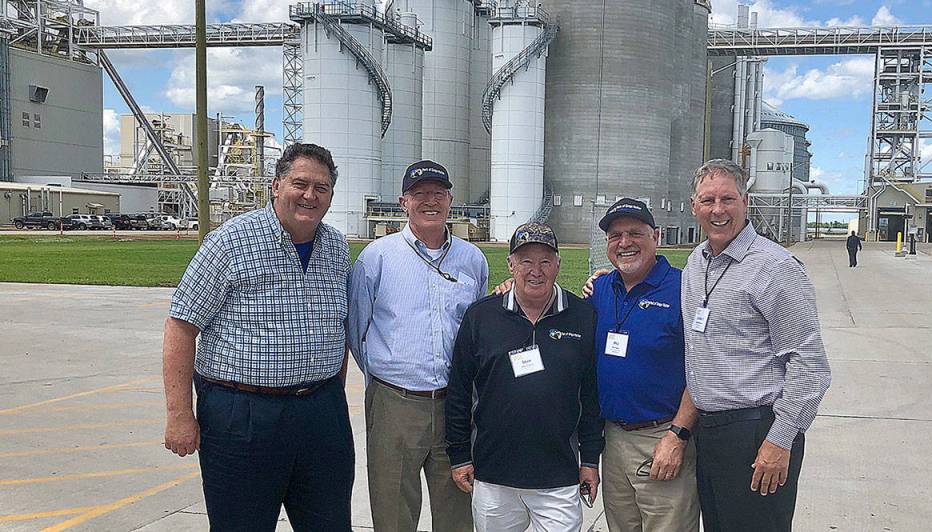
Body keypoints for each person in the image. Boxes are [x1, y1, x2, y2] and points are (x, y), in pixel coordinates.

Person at [163, 143, 355, 531]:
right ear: (275, 185)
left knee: (329, 523)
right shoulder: (230, 242)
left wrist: (332, 394)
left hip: (321, 412)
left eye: (322, 188)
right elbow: (181, 326)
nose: (310, 195)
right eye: (300, 183)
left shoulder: (336, 247)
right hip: (243, 415)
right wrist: (179, 414)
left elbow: (341, 327)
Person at [684, 159, 831, 532]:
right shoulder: (695, 264)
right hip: (711, 433)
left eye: (727, 199)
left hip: (758, 433)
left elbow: (809, 363)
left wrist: (780, 440)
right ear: (694, 206)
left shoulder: (774, 267)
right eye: (708, 200)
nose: (718, 210)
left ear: (746, 202)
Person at [348, 160, 489, 532]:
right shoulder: (376, 259)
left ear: (450, 200)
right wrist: (392, 374)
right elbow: (357, 332)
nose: (430, 201)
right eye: (420, 193)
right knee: (393, 512)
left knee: (458, 511)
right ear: (403, 202)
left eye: (438, 193)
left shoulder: (471, 259)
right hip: (396, 402)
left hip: (456, 404)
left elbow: (479, 331)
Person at [446, 222, 603, 532]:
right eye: (526, 261)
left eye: (545, 261)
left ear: (558, 264)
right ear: (510, 265)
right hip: (494, 475)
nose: (536, 270)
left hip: (558, 476)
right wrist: (460, 455)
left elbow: (591, 396)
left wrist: (590, 460)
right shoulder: (481, 316)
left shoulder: (583, 316)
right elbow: (459, 392)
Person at [586, 198, 700, 532]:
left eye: (635, 233)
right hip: (613, 438)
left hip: (662, 437)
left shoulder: (684, 288)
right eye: (615, 235)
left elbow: (702, 370)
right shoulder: (600, 289)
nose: (624, 242)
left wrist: (677, 435)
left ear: (657, 236)